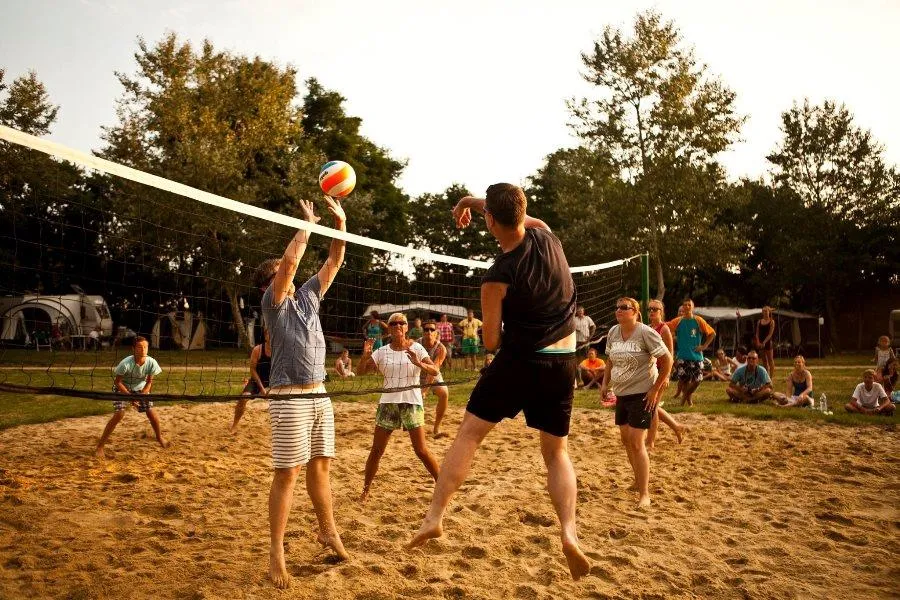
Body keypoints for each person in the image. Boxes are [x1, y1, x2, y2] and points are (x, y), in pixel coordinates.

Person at [408, 184, 590, 581]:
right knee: (556, 453)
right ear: (523, 211)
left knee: (469, 436)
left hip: (520, 360)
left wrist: (467, 203)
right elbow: (518, 213)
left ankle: (434, 517)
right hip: (563, 362)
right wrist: (471, 202)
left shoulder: (497, 276)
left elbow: (490, 341)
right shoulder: (547, 236)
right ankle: (569, 533)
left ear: (489, 220)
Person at [254, 195, 349, 588]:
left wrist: (339, 225)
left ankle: (327, 530)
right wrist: (308, 225)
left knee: (321, 468)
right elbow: (291, 262)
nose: (289, 276)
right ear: (272, 282)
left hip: (320, 393)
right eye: (282, 275)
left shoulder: (309, 295)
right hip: (289, 395)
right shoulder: (273, 303)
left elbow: (334, 261)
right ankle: (276, 551)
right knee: (287, 474)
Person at [357, 313, 441, 501]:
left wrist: (419, 363)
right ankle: (365, 490)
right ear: (389, 327)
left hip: (412, 401)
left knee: (421, 450)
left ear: (406, 327)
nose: (397, 325)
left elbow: (435, 370)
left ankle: (441, 484)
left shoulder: (417, 348)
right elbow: (360, 373)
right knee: (377, 450)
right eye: (393, 323)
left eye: (401, 322)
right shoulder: (382, 351)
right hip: (388, 402)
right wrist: (365, 356)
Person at [600, 297, 672, 509]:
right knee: (626, 440)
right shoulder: (613, 332)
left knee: (636, 441)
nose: (619, 310)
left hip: (642, 393)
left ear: (635, 312)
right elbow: (610, 360)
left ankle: (645, 494)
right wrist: (605, 384)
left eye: (624, 307)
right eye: (617, 307)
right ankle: (637, 480)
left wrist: (655, 389)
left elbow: (668, 360)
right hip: (622, 393)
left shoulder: (645, 332)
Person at [95, 336, 167, 458]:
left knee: (151, 412)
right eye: (139, 347)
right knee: (119, 414)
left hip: (140, 389)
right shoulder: (125, 363)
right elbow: (117, 382)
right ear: (133, 349)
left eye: (145, 347)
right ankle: (100, 447)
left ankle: (159, 437)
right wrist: (130, 397)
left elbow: (149, 382)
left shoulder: (151, 362)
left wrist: (143, 394)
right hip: (122, 389)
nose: (143, 350)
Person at [645, 300, 687, 449]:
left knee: (653, 407)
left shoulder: (664, 329)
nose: (652, 311)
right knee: (651, 405)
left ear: (661, 311)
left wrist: (668, 375)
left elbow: (670, 353)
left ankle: (650, 441)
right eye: (650, 309)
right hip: (650, 372)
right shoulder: (648, 328)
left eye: (655, 309)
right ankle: (676, 426)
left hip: (661, 372)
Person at [666, 299, 715, 407]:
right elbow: (665, 327)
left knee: (698, 379)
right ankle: (687, 401)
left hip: (696, 356)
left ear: (693, 307)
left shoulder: (698, 320)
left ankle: (684, 397)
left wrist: (704, 346)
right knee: (684, 381)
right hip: (682, 356)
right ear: (682, 307)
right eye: (685, 305)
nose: (687, 306)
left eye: (689, 305)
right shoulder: (678, 321)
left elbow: (712, 333)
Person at [230, 328, 272, 434]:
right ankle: (234, 425)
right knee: (243, 399)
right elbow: (252, 370)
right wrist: (262, 389)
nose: (271, 336)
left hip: (274, 382)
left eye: (273, 334)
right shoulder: (257, 349)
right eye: (269, 334)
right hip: (257, 381)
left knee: (287, 400)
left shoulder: (279, 350)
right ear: (265, 336)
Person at [419, 319, 451, 437]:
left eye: (431, 329)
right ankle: (409, 424)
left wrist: (425, 391)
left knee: (444, 393)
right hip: (416, 374)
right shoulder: (416, 344)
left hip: (433, 374)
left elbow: (434, 371)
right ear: (423, 332)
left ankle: (436, 428)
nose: (429, 332)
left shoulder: (441, 348)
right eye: (426, 329)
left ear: (436, 332)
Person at [754, 306, 776, 379]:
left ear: (769, 312)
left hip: (768, 342)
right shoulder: (759, 321)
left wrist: (764, 342)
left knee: (770, 360)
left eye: (766, 311)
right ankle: (766, 376)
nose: (765, 313)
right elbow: (757, 333)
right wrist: (758, 341)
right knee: (764, 360)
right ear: (762, 312)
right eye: (764, 311)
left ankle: (771, 377)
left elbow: (770, 334)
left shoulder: (772, 321)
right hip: (760, 342)